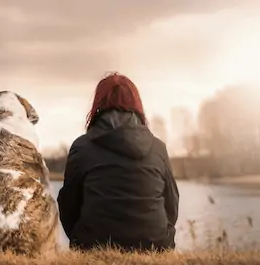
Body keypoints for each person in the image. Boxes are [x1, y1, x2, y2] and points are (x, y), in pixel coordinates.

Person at [57, 72, 179, 253]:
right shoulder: (158, 147)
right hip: (155, 246)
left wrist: (79, 239)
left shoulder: (81, 147)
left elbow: (68, 205)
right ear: (137, 105)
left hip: (93, 246)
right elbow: (172, 205)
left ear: (97, 105)